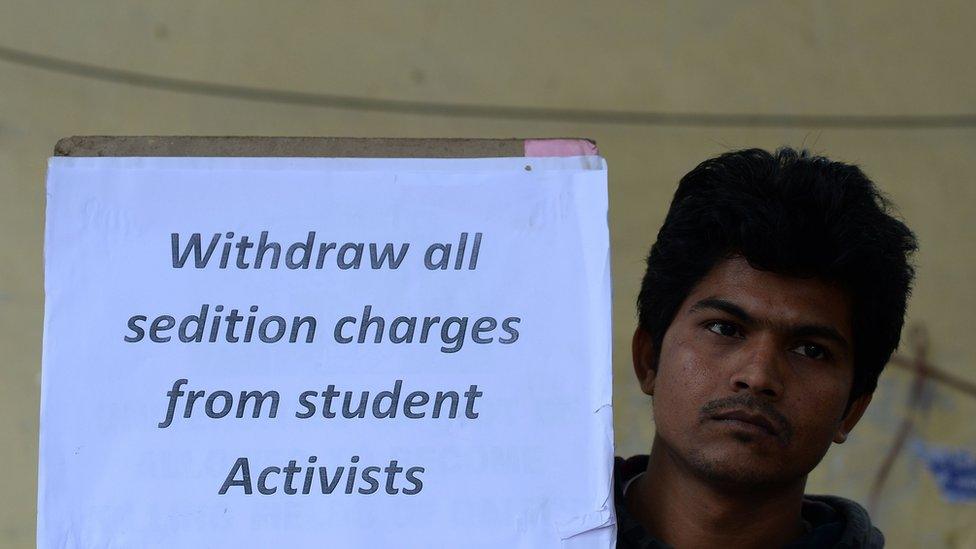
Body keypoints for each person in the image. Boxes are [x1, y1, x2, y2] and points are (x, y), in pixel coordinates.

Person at [617, 147, 917, 548]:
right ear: (648, 358)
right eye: (725, 328)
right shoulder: (519, 529)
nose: (758, 377)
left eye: (811, 350)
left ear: (853, 409)